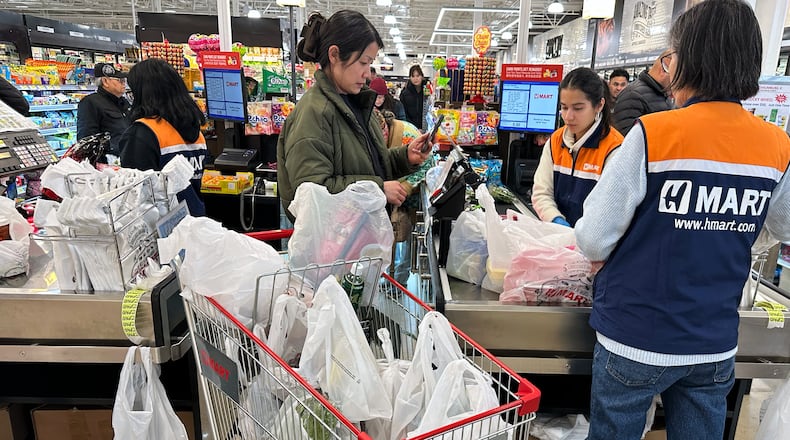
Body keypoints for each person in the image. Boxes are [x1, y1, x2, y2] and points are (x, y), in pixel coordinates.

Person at [575, 1, 790, 438]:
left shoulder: (654, 134)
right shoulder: (776, 146)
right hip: (711, 341)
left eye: (672, 56)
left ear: (688, 59)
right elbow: (783, 226)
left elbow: (594, 237)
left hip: (634, 335)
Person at [276, 10, 431, 221]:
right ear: (334, 55)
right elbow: (311, 193)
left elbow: (370, 165)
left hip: (357, 240)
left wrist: (405, 157)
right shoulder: (315, 113)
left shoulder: (355, 103)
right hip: (333, 248)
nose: (367, 73)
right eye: (363, 62)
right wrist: (379, 190)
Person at [531, 67, 624, 227]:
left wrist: (580, 237)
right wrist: (556, 219)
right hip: (558, 239)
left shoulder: (615, 148)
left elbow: (612, 211)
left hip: (593, 246)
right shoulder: (555, 141)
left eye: (578, 108)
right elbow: (541, 192)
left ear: (599, 105)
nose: (568, 116)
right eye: (564, 107)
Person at [119, 59, 208, 216]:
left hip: (162, 229)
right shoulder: (195, 129)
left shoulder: (143, 132)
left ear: (143, 93)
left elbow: (136, 195)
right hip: (194, 220)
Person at [374, 108, 432, 285]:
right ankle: (388, 275)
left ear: (385, 129)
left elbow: (428, 165)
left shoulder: (408, 134)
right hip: (388, 196)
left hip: (410, 200)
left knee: (406, 239)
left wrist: (405, 187)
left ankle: (399, 280)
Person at [77, 63, 131, 159]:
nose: (124, 83)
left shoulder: (124, 102)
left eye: (124, 80)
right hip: (107, 166)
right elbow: (87, 141)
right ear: (105, 81)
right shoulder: (90, 103)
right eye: (120, 80)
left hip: (128, 160)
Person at [612, 50, 673, 135]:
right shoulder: (632, 95)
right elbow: (625, 140)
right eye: (678, 74)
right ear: (665, 68)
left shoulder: (663, 95)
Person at [400, 64, 426, 130]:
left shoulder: (427, 92)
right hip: (410, 128)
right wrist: (413, 127)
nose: (415, 78)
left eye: (418, 76)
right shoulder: (405, 93)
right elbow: (404, 113)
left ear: (422, 76)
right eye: (413, 76)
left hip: (425, 127)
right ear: (410, 78)